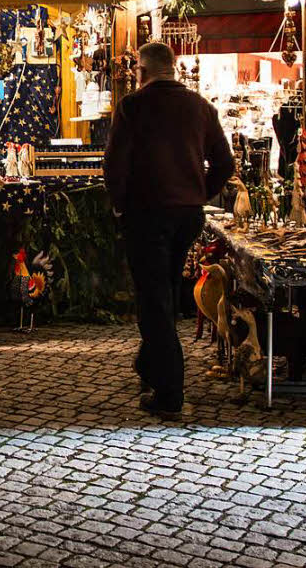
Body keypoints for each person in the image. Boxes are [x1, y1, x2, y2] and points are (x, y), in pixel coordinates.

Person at [104, 41, 234, 418]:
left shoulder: (132, 107)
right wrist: (198, 193)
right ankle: (149, 366)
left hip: (147, 214)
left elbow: (115, 168)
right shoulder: (200, 107)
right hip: (187, 214)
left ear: (142, 73)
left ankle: (169, 392)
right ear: (173, 69)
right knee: (166, 288)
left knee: (155, 298)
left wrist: (120, 205)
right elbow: (225, 164)